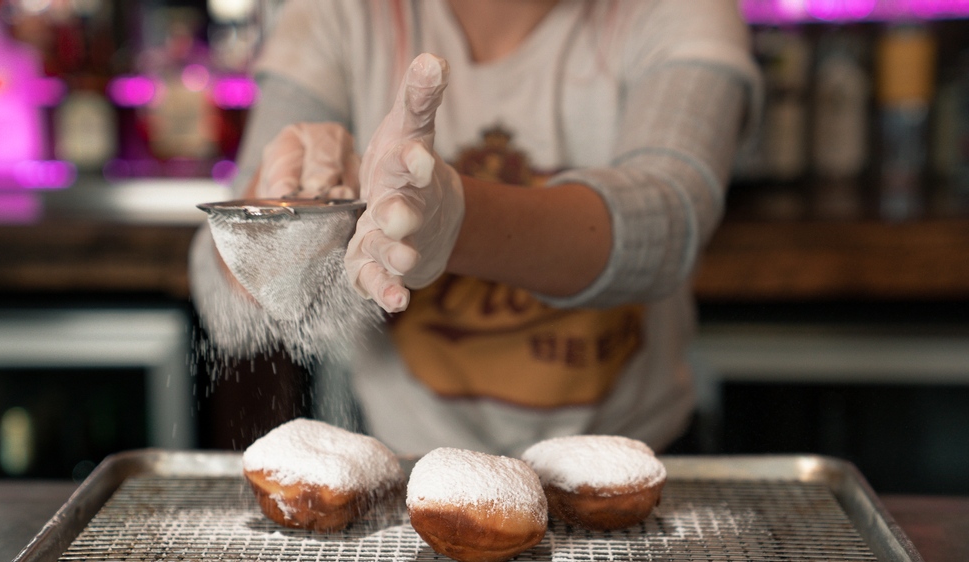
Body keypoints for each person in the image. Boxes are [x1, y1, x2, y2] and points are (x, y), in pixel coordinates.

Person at [190, 0, 761, 457]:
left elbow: (669, 221)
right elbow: (225, 308)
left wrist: (456, 220)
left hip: (633, 464)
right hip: (404, 472)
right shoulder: (338, 14)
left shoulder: (678, 11)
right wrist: (280, 221)